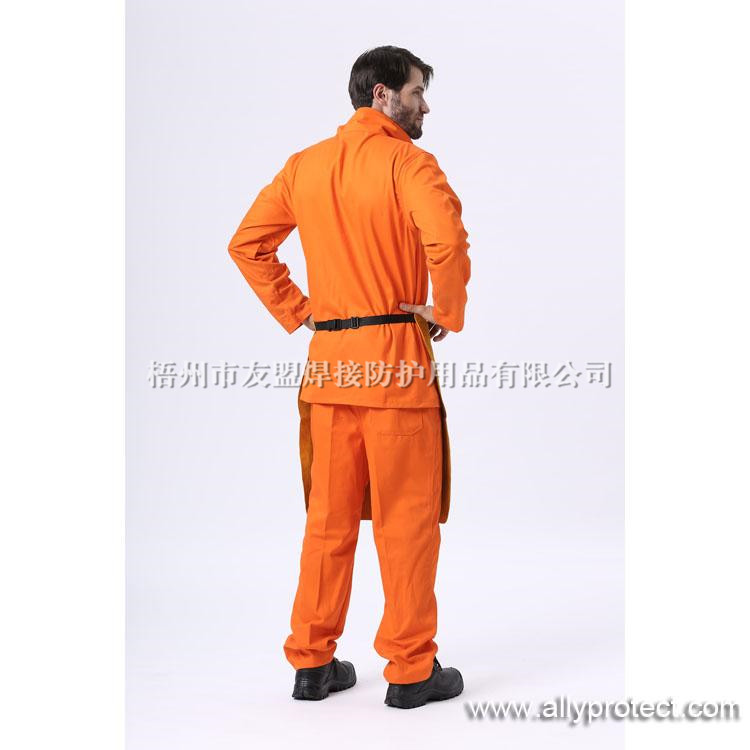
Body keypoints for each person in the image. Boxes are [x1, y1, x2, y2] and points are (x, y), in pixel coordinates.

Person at [227, 45, 471, 709]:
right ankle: (411, 670)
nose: (426, 106)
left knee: (328, 524)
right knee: (407, 523)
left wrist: (300, 309)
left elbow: (247, 244)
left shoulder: (304, 166)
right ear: (383, 94)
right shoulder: (407, 164)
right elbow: (446, 239)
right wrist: (446, 309)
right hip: (393, 367)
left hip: (329, 369)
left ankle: (312, 662)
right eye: (417, 92)